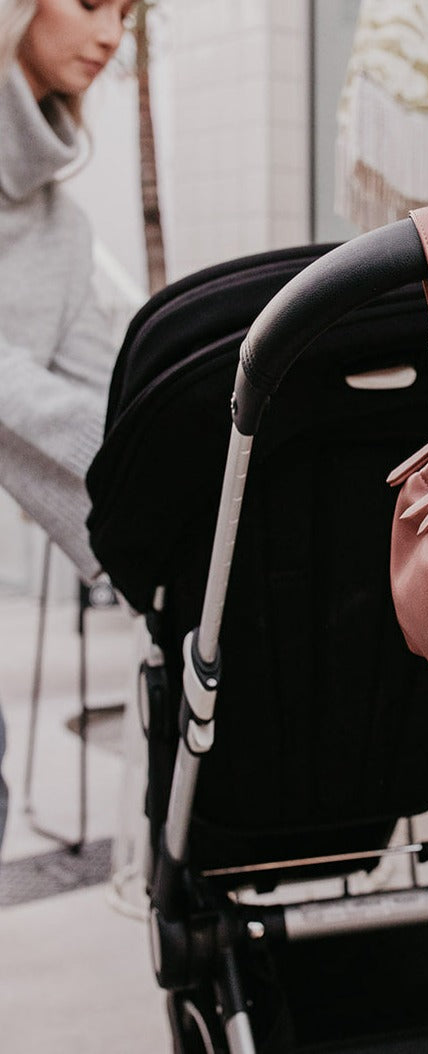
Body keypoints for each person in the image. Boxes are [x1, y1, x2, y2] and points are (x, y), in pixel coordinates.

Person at [0, 0, 136, 855]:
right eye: (91, 2)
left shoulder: (60, 227)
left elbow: (115, 393)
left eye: (127, 11)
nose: (112, 34)